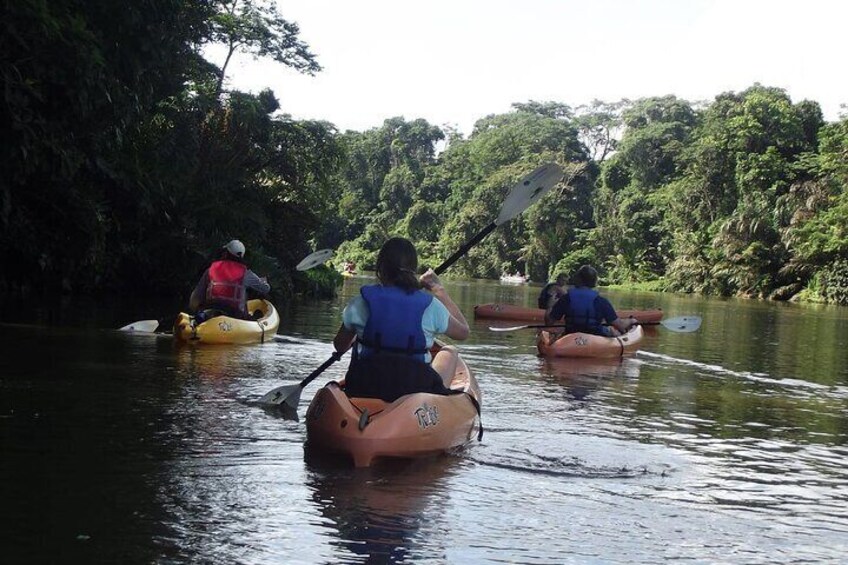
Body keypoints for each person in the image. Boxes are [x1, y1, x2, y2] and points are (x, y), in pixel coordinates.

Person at [332, 237, 470, 402]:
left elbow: (339, 345)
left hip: (365, 385)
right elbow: (463, 332)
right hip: (414, 388)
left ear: (380, 268)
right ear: (413, 269)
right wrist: (439, 290)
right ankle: (433, 403)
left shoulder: (360, 302)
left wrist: (359, 336)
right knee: (450, 351)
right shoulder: (430, 305)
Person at [544, 265, 638, 337]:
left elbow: (549, 322)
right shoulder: (600, 301)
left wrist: (549, 305)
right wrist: (631, 321)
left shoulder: (566, 299)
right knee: (612, 330)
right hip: (596, 336)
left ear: (578, 279)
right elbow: (619, 325)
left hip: (571, 334)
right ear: (594, 282)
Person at [189, 239, 270, 320]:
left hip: (210, 312)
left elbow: (196, 297)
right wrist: (263, 281)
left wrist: (195, 309)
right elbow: (266, 288)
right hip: (235, 317)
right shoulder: (246, 273)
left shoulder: (211, 269)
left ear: (226, 253)